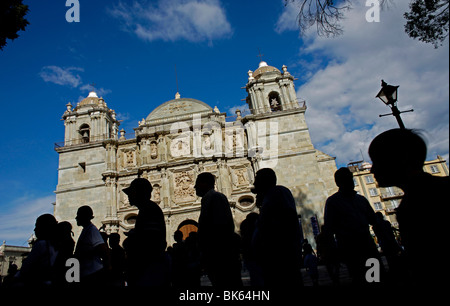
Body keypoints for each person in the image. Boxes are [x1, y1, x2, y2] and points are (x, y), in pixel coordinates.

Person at [369, 128, 449, 284]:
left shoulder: (417, 205)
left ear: (401, 159)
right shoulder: (418, 198)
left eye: (377, 161)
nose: (372, 169)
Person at [324, 167, 381, 285]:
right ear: (338, 183)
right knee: (359, 277)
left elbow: (373, 221)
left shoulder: (361, 199)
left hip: (367, 245)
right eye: (346, 179)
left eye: (350, 179)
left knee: (375, 277)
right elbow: (329, 229)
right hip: (350, 248)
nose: (350, 182)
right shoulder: (333, 202)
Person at [251, 168, 303, 287]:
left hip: (280, 257)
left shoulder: (278, 193)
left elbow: (280, 223)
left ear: (265, 181)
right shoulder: (274, 195)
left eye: (256, 180)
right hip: (275, 258)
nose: (254, 183)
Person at [194, 172, 242, 287]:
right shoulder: (209, 199)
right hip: (217, 257)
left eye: (197, 183)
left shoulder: (215, 198)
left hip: (221, 258)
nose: (194, 187)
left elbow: (221, 228)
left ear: (205, 183)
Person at [122, 177, 169, 286]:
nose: (128, 197)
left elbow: (149, 241)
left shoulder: (149, 210)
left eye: (131, 193)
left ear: (138, 193)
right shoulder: (147, 209)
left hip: (149, 270)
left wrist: (133, 239)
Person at [15, 214, 58, 286]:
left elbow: (26, 269)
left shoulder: (41, 244)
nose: (34, 229)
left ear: (43, 228)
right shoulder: (56, 245)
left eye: (37, 226)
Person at [74, 206, 110, 285]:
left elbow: (103, 250)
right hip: (88, 273)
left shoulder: (92, 230)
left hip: (92, 274)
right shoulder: (87, 230)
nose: (76, 218)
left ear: (84, 216)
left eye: (78, 215)